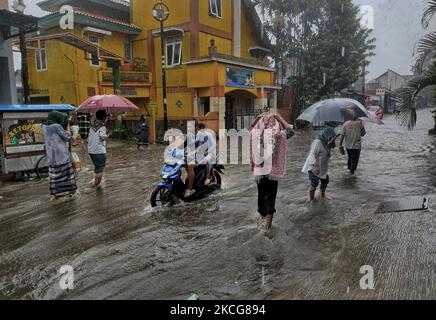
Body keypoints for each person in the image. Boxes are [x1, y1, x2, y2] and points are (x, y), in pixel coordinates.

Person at [251, 113, 295, 233]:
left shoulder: (256, 134)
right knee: (270, 198)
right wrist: (280, 117)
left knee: (261, 196)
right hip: (272, 173)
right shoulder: (278, 135)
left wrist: (257, 118)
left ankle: (260, 219)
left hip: (259, 172)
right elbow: (291, 131)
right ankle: (267, 228)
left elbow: (250, 127)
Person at [42, 111, 77, 198]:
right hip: (61, 156)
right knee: (68, 176)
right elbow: (68, 137)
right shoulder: (56, 126)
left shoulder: (44, 127)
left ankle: (56, 194)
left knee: (55, 178)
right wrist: (68, 128)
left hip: (51, 158)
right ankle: (71, 192)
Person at [302, 127, 338, 202]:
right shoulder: (317, 142)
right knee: (314, 184)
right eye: (331, 138)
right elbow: (311, 154)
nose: (332, 140)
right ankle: (311, 200)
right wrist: (315, 165)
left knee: (325, 181)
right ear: (327, 137)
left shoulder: (327, 142)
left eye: (333, 139)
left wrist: (333, 144)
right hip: (314, 168)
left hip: (323, 168)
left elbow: (331, 147)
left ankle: (322, 195)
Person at [88, 110, 112, 188]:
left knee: (97, 168)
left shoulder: (92, 125)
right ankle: (95, 186)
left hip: (91, 150)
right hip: (99, 151)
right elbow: (102, 137)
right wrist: (108, 134)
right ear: (103, 117)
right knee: (100, 170)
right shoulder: (102, 126)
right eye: (105, 116)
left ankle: (97, 184)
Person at [339, 108, 366, 175]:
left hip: (348, 145)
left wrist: (340, 144)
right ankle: (352, 172)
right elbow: (363, 134)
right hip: (356, 146)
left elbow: (342, 135)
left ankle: (350, 170)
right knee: (355, 159)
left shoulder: (345, 124)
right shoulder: (359, 123)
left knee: (350, 158)